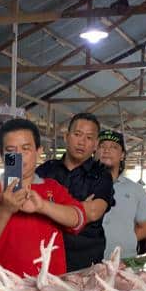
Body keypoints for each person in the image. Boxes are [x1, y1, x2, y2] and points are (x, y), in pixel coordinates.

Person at [0, 118, 85, 277]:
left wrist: (43, 206)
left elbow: (77, 219)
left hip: (48, 288)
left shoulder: (53, 188)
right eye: (11, 150)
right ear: (2, 156)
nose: (19, 156)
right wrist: (5, 210)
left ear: (38, 151)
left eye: (26, 148)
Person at [36, 113, 114, 271]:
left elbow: (93, 212)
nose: (82, 142)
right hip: (45, 257)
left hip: (84, 260)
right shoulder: (45, 171)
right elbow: (28, 205)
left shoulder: (101, 175)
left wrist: (46, 208)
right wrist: (78, 207)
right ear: (66, 136)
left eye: (89, 137)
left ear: (95, 144)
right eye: (77, 134)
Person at [96, 129, 146, 260]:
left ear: (122, 155)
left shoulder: (136, 190)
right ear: (95, 151)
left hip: (124, 261)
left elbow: (145, 228)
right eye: (102, 146)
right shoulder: (82, 185)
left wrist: (123, 241)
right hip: (87, 262)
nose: (107, 150)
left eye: (114, 147)